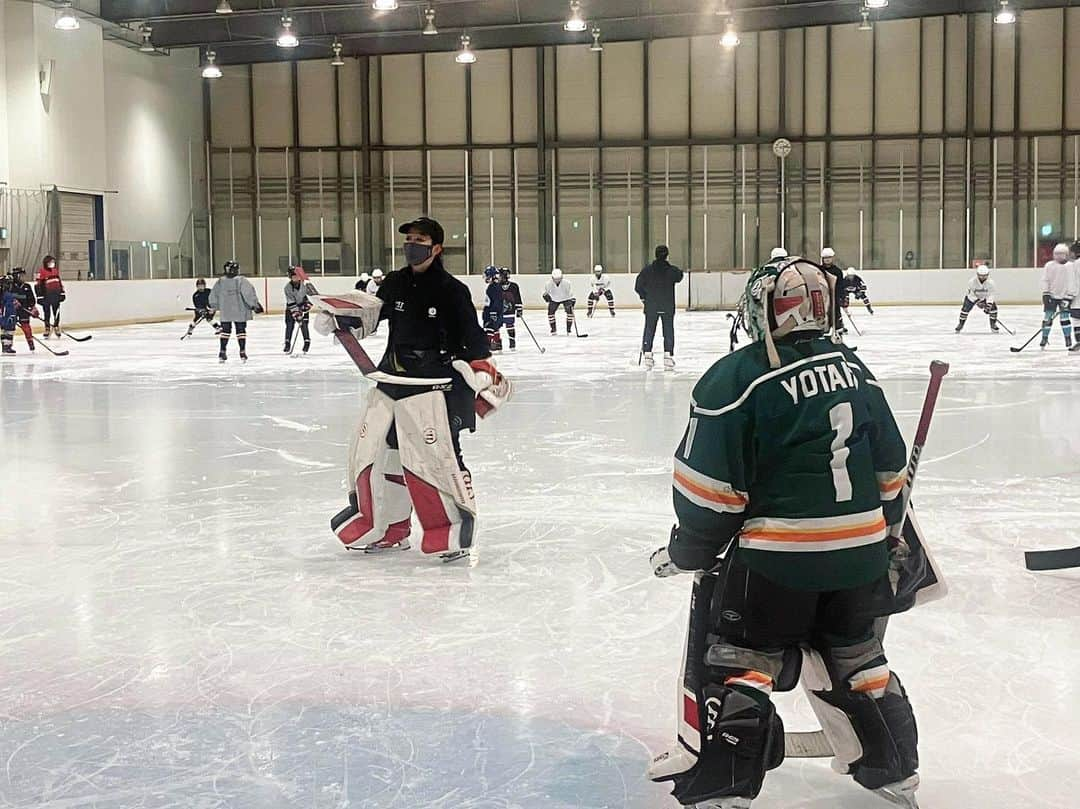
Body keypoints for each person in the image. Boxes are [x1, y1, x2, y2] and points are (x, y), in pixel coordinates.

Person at [647, 256, 920, 809]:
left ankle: (726, 785)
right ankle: (894, 766)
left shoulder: (737, 378)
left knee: (742, 661)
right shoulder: (854, 367)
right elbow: (891, 471)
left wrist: (689, 550)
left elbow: (710, 492)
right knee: (857, 658)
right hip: (860, 557)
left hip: (778, 562)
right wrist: (881, 535)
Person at [311, 216, 511, 563]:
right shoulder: (395, 282)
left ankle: (451, 534)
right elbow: (373, 316)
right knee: (376, 458)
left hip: (432, 389)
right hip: (390, 383)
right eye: (408, 239)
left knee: (437, 462)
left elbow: (475, 342)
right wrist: (339, 320)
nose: (411, 245)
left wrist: (479, 374)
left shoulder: (452, 290)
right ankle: (389, 529)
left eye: (419, 239)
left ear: (436, 248)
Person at [635, 245, 684, 370]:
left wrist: (644, 297)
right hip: (667, 305)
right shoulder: (671, 270)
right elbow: (680, 276)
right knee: (668, 330)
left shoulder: (647, 270)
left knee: (649, 329)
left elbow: (638, 286)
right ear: (667, 255)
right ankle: (668, 354)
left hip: (651, 305)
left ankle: (647, 353)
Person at [209, 260, 263, 363]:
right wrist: (255, 305)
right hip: (240, 310)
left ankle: (222, 351)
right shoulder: (241, 280)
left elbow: (213, 296)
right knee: (240, 330)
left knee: (225, 331)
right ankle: (242, 351)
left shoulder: (221, 281)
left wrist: (213, 307)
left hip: (226, 311)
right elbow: (248, 294)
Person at [1040, 243, 1075, 349]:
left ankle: (1067, 338)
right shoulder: (1049, 266)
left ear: (1066, 254)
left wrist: (1069, 297)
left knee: (1065, 318)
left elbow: (1073, 283)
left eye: (1061, 254)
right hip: (1052, 296)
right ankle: (1044, 338)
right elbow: (1045, 280)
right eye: (1057, 254)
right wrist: (1046, 294)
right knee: (1047, 318)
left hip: (1065, 297)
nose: (1059, 256)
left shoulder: (1070, 266)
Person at [955, 266, 999, 333]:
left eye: (985, 276)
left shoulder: (991, 283)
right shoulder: (971, 282)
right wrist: (977, 302)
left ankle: (993, 324)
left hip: (984, 298)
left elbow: (991, 295)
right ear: (977, 274)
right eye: (981, 276)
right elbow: (970, 294)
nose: (983, 278)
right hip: (971, 298)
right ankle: (961, 324)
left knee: (994, 309)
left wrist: (988, 305)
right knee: (965, 310)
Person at [283, 267, 313, 354]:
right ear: (290, 277)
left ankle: (307, 342)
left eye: (297, 276)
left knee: (304, 325)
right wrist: (296, 314)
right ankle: (287, 343)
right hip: (291, 309)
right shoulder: (287, 288)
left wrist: (307, 305)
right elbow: (290, 301)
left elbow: (312, 296)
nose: (296, 278)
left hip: (303, 307)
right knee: (289, 325)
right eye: (293, 277)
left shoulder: (306, 285)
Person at [35, 255, 64, 338]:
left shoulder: (55, 271)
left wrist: (62, 292)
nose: (52, 264)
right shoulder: (41, 272)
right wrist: (39, 296)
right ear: (46, 263)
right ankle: (47, 328)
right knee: (47, 313)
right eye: (51, 262)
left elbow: (59, 282)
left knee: (56, 312)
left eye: (53, 262)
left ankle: (56, 326)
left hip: (55, 294)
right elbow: (38, 285)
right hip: (46, 296)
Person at [9, 268, 38, 352]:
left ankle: (30, 342)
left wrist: (33, 308)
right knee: (9, 328)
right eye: (21, 276)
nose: (23, 277)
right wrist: (12, 302)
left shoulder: (27, 286)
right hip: (12, 311)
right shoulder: (10, 286)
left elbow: (31, 300)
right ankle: (8, 345)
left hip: (23, 310)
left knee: (26, 327)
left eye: (23, 276)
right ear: (16, 276)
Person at [543, 268, 575, 335]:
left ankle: (568, 329)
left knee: (570, 312)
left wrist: (572, 300)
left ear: (562, 277)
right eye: (555, 279)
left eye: (559, 278)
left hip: (566, 298)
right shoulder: (548, 284)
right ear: (552, 278)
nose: (557, 280)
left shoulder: (567, 283)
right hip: (554, 299)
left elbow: (570, 293)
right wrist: (546, 297)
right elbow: (546, 293)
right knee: (550, 312)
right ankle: (553, 329)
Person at [498, 267, 523, 350]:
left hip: (510, 311)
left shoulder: (514, 286)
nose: (498, 277)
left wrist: (519, 308)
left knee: (510, 326)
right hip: (498, 311)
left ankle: (512, 342)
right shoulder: (495, 286)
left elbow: (517, 298)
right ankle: (497, 343)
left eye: (500, 276)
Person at [482, 265, 505, 351]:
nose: (486, 278)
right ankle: (497, 343)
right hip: (492, 311)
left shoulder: (494, 287)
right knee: (495, 327)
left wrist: (493, 312)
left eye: (488, 276)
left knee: (490, 327)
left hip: (493, 311)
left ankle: (488, 345)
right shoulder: (493, 286)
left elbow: (497, 301)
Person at [0, 274, 17, 354]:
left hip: (3, 316)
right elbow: (9, 308)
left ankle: (5, 346)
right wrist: (12, 316)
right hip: (7, 316)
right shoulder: (8, 295)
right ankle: (7, 346)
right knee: (9, 330)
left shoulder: (5, 294)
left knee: (4, 330)